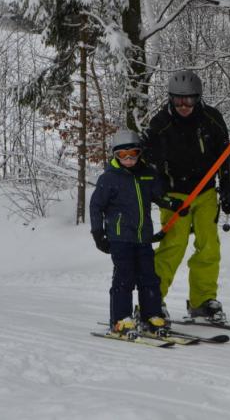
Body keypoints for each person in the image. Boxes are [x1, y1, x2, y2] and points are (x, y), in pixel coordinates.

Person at [142, 70, 230, 323]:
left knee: (209, 246)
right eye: (178, 100)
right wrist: (163, 198)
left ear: (198, 98)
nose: (184, 106)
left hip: (205, 192)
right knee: (173, 246)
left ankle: (202, 302)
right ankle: (152, 301)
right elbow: (151, 168)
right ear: (170, 98)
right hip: (175, 195)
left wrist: (228, 189)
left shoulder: (212, 119)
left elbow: (224, 158)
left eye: (189, 100)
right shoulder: (160, 124)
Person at [89, 129, 185, 337]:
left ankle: (151, 316)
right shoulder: (109, 178)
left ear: (139, 153)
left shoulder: (148, 174)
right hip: (120, 238)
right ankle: (120, 319)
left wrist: (175, 204)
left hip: (143, 238)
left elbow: (159, 196)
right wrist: (98, 233)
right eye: (122, 155)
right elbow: (96, 206)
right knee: (124, 278)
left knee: (149, 278)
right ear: (115, 156)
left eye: (133, 153)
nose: (129, 159)